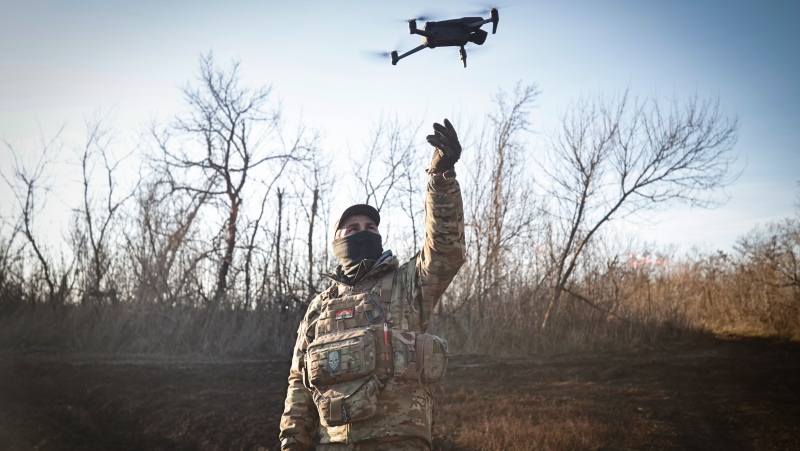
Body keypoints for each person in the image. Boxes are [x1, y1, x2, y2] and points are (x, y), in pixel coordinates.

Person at [279, 119, 466, 450]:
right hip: (333, 442)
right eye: (352, 228)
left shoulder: (409, 284)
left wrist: (441, 178)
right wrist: (292, 443)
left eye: (370, 226)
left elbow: (445, 249)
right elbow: (299, 383)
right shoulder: (319, 308)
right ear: (337, 243)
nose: (363, 230)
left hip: (399, 440)